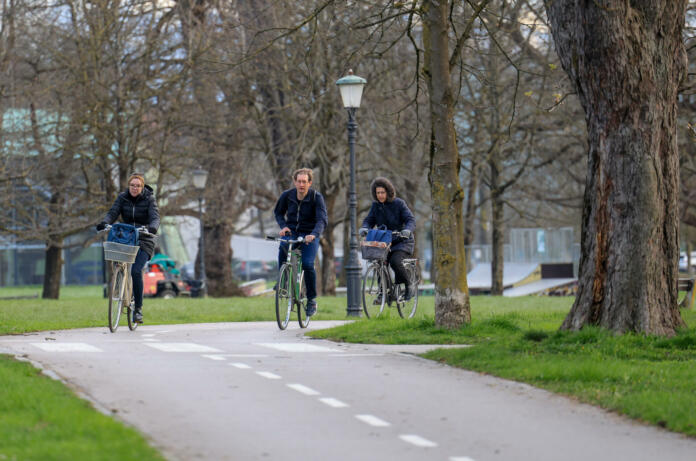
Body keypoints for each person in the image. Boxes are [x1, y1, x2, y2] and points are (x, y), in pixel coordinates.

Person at [97, 173, 160, 323]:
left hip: (144, 238)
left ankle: (138, 309)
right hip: (127, 236)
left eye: (138, 186)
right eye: (132, 185)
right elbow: (113, 212)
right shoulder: (122, 197)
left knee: (137, 270)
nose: (135, 188)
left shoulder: (149, 199)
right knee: (118, 261)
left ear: (142, 187)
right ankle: (120, 287)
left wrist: (152, 228)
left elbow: (155, 217)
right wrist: (104, 222)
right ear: (129, 186)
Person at [273, 168, 328, 317]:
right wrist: (283, 226)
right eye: (299, 181)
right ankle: (283, 282)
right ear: (294, 182)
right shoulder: (287, 195)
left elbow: (322, 220)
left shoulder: (317, 197)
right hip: (292, 232)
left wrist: (314, 234)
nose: (301, 184)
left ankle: (311, 300)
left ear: (310, 183)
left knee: (308, 264)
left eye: (304, 181)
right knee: (283, 246)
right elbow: (278, 212)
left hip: (309, 235)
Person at [359, 177, 417, 300]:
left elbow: (410, 220)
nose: (380, 195)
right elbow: (369, 220)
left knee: (395, 261)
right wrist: (364, 228)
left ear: (388, 192)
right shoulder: (375, 206)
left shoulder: (399, 203)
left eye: (382, 192)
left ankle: (408, 285)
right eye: (377, 193)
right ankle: (383, 292)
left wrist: (407, 230)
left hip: (402, 241)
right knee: (380, 262)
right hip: (385, 242)